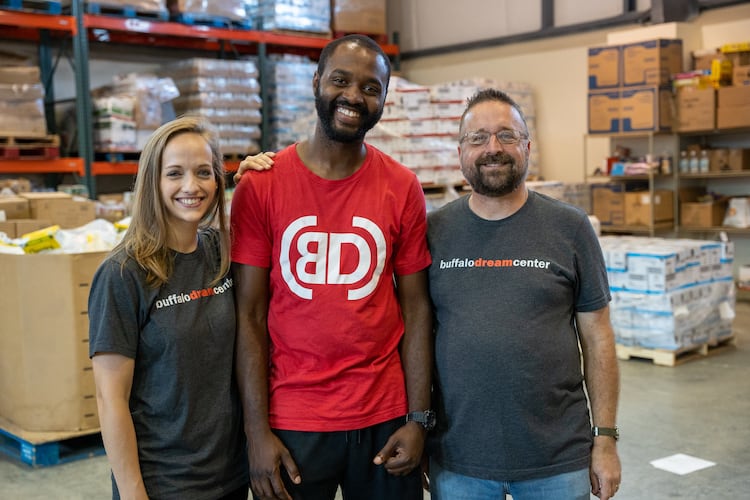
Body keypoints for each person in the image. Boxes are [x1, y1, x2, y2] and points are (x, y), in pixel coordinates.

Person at [230, 34, 433, 500]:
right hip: (293, 421)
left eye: (370, 87)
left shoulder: (402, 188)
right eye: (341, 80)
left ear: (384, 98)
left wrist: (419, 418)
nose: (353, 97)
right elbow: (249, 315)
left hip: (385, 418)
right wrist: (256, 432)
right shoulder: (262, 186)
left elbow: (418, 310)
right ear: (317, 81)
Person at [426, 88, 622, 500]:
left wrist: (604, 439)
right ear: (460, 151)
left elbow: (598, 337)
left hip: (557, 458)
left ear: (527, 147)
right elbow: (418, 336)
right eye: (477, 138)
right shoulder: (434, 231)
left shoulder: (569, 227)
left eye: (506, 135)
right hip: (459, 458)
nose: (492, 148)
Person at [88, 116, 249, 500]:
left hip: (231, 475)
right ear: (153, 183)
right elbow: (109, 399)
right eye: (174, 173)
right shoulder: (123, 274)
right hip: (166, 484)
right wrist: (133, 493)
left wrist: (261, 176)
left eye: (203, 172)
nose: (191, 186)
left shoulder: (221, 253)